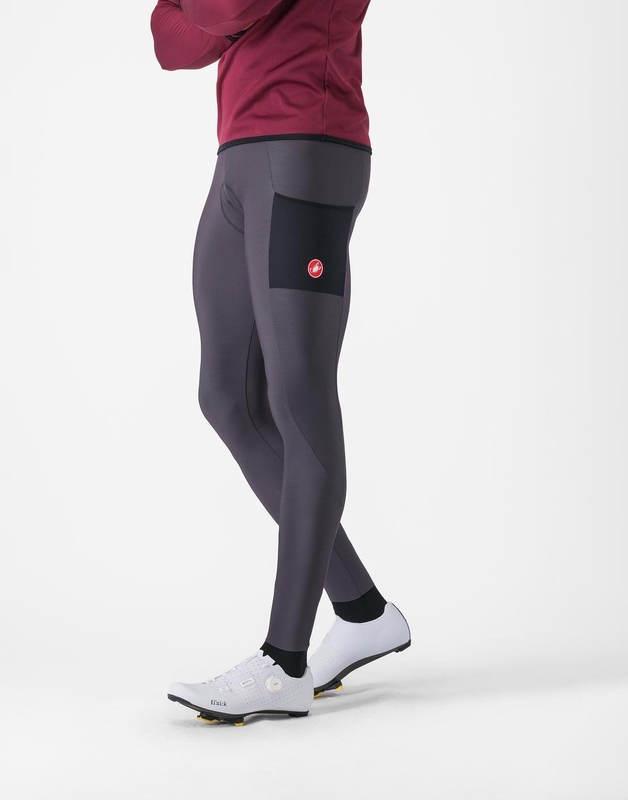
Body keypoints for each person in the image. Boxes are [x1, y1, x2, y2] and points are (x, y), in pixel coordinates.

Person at [151, 0, 410, 725]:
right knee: (226, 397)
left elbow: (225, 8)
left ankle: (284, 664)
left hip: (306, 143)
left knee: (300, 393)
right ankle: (362, 612)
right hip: (239, 152)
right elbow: (170, 43)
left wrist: (209, 16)